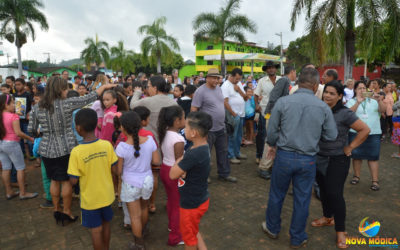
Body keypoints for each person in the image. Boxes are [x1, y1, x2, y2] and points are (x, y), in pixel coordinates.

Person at [261, 68, 338, 248]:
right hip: (308, 159)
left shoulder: (283, 102)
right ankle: (297, 237)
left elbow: (271, 131)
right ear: (316, 85)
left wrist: (273, 144)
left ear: (298, 82)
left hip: (284, 156)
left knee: (277, 194)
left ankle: (272, 228)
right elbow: (331, 135)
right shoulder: (323, 107)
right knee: (302, 199)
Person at [28, 76, 116, 224]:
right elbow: (91, 96)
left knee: (54, 181)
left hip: (47, 149)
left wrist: (44, 133)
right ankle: (67, 212)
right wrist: (106, 86)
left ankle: (56, 210)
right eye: (66, 89)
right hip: (66, 147)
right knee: (67, 182)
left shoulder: (37, 107)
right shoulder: (68, 103)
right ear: (61, 89)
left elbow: (31, 129)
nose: (67, 91)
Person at [311, 81, 370, 249]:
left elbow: (364, 130)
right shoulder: (320, 110)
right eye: (326, 93)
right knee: (323, 191)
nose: (327, 96)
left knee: (335, 194)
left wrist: (350, 147)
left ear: (339, 96)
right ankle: (327, 217)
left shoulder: (344, 113)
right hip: (319, 157)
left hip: (338, 159)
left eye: (331, 93)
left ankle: (341, 231)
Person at [67, 108, 117, 249]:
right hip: (107, 194)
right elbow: (114, 170)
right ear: (96, 125)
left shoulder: (76, 152)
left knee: (96, 230)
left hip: (90, 199)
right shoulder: (107, 145)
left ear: (78, 128)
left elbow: (74, 180)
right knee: (106, 224)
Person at [130, 75, 178, 213]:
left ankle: (151, 203)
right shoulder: (173, 103)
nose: (147, 89)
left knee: (154, 175)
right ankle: (171, 201)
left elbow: (133, 105)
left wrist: (138, 92)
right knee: (170, 174)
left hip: (151, 144)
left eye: (149, 86)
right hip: (168, 143)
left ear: (155, 87)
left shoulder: (148, 101)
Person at [116, 111, 160, 249]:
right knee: (144, 208)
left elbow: (119, 171)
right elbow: (157, 161)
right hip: (147, 180)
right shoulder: (150, 141)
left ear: (123, 127)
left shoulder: (122, 147)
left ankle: (139, 244)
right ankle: (143, 231)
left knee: (134, 217)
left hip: (130, 184)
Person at [169, 111, 212, 250]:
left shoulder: (193, 154)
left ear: (193, 133)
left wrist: (180, 160)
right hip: (200, 198)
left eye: (186, 127)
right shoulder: (203, 147)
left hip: (191, 205)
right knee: (194, 230)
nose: (183, 130)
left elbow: (172, 174)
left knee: (189, 239)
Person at [191, 68, 237, 183]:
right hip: (207, 129)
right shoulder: (200, 91)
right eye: (214, 78)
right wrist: (196, 127)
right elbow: (194, 109)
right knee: (205, 154)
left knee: (223, 152)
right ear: (207, 78)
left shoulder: (218, 89)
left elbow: (221, 104)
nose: (217, 80)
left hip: (221, 127)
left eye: (218, 78)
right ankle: (204, 175)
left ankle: (224, 174)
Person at [346, 81, 386, 191]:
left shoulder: (374, 101)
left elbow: (383, 111)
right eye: (359, 88)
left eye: (364, 88)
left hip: (373, 133)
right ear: (355, 90)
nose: (362, 90)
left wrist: (379, 100)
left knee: (373, 157)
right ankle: (356, 176)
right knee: (356, 156)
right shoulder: (351, 101)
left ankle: (375, 181)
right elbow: (347, 114)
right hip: (356, 133)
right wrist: (358, 102)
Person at [259, 66, 297, 179]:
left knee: (274, 141)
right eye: (296, 73)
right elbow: (274, 97)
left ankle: (269, 166)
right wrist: (276, 114)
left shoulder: (285, 80)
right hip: (273, 115)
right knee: (270, 141)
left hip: (275, 115)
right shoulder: (284, 80)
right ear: (292, 72)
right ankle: (264, 167)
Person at [0, 94, 38, 200]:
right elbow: (18, 133)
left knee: (6, 168)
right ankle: (23, 193)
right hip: (12, 144)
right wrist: (30, 139)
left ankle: (9, 192)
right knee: (20, 168)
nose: (14, 105)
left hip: (1, 144)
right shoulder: (13, 116)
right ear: (5, 105)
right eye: (12, 103)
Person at [158, 105, 186, 246]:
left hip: (165, 169)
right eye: (183, 117)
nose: (185, 120)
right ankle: (175, 236)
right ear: (176, 121)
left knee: (171, 200)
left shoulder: (165, 132)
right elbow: (179, 162)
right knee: (178, 205)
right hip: (174, 172)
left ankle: (171, 226)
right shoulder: (178, 139)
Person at [254, 61, 281, 165]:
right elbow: (256, 95)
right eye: (268, 68)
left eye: (273, 67)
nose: (271, 69)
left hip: (278, 111)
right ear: (266, 70)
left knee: (275, 135)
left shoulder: (281, 80)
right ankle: (259, 155)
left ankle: (272, 157)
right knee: (262, 134)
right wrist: (256, 105)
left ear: (276, 69)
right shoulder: (261, 81)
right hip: (264, 111)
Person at [221, 68, 247, 164]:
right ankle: (231, 155)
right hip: (233, 115)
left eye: (239, 79)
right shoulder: (225, 86)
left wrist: (239, 89)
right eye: (236, 78)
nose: (238, 80)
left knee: (239, 135)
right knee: (232, 135)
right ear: (231, 76)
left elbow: (245, 98)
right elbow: (225, 102)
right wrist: (233, 113)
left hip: (241, 114)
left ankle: (237, 152)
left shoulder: (239, 84)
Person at [13, 78, 34, 159]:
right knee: (19, 138)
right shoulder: (14, 95)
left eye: (19, 84)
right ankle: (23, 153)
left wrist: (30, 113)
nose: (17, 86)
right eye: (16, 84)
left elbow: (33, 105)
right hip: (17, 120)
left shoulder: (28, 95)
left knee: (29, 138)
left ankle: (32, 154)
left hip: (26, 120)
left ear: (24, 85)